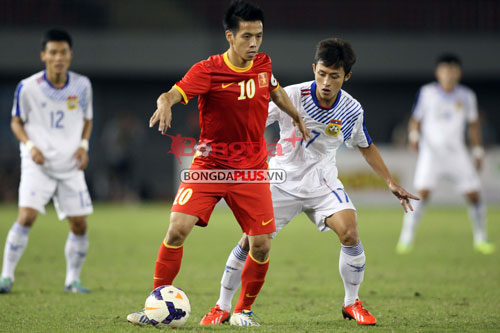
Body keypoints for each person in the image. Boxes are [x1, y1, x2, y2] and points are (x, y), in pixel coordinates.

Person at [199, 38, 419, 327]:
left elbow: (366, 145)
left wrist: (389, 181)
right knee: (254, 244)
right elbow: (251, 121)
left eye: (335, 76)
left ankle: (351, 302)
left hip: (322, 184)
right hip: (281, 181)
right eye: (322, 73)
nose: (326, 82)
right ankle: (223, 306)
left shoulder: (352, 110)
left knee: (350, 233)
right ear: (314, 68)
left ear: (347, 76)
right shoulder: (291, 95)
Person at [127, 0, 308, 327]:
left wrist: (295, 116)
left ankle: (243, 310)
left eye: (259, 36)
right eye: (247, 36)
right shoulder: (207, 70)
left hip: (251, 170)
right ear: (229, 36)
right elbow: (171, 93)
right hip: (209, 167)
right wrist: (165, 104)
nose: (254, 44)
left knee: (262, 245)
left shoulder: (263, 64)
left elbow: (275, 90)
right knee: (177, 229)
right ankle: (153, 306)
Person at [0, 29, 93, 294]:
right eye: (52, 52)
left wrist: (84, 146)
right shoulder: (27, 87)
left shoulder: (82, 85)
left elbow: (87, 119)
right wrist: (29, 146)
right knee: (26, 216)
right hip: (37, 163)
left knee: (80, 224)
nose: (58, 57)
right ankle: (6, 277)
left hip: (70, 164)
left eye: (63, 52)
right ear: (43, 55)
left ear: (70, 55)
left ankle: (72, 280)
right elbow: (16, 121)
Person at [396, 54, 495, 255]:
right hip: (431, 153)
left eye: (452, 70)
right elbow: (415, 119)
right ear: (438, 72)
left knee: (474, 195)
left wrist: (477, 151)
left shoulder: (467, 96)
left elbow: (473, 125)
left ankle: (481, 238)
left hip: (456, 153)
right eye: (445, 70)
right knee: (420, 195)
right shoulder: (427, 93)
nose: (449, 74)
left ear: (458, 72)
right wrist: (414, 136)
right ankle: (406, 239)